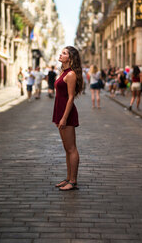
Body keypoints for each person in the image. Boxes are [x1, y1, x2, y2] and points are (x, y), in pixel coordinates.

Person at [53, 46, 83, 191]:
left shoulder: (70, 74)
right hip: (60, 111)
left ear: (70, 58)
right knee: (67, 148)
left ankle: (73, 181)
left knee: (71, 148)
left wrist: (64, 118)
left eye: (64, 53)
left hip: (67, 113)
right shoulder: (63, 72)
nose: (61, 54)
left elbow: (71, 98)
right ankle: (68, 178)